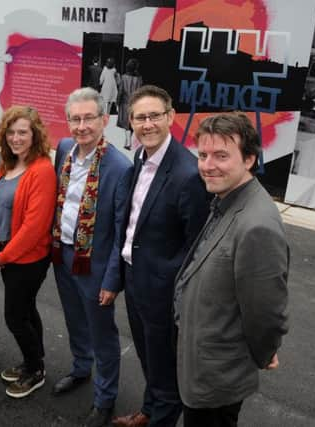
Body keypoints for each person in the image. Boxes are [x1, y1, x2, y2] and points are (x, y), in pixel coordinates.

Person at [173, 112, 289, 427]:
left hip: (216, 381)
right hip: (202, 368)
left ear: (249, 158)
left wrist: (264, 352)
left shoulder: (257, 226)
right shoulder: (227, 197)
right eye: (203, 155)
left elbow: (266, 313)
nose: (208, 165)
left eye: (222, 155)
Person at [112, 85, 209, 427]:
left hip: (164, 293)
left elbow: (197, 246)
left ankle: (160, 417)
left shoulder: (187, 174)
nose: (147, 124)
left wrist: (171, 288)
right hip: (136, 280)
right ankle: (149, 411)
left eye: (155, 116)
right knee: (148, 357)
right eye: (140, 117)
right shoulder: (139, 158)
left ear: (171, 118)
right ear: (130, 121)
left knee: (165, 369)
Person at [52, 87, 133, 427]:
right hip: (64, 254)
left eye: (89, 118)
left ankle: (105, 399)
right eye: (75, 119)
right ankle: (81, 369)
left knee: (103, 333)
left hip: (95, 266)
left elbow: (120, 230)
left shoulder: (119, 167)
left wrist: (112, 279)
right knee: (73, 319)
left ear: (105, 120)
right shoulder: (64, 149)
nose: (81, 126)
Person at [0, 106, 56, 399]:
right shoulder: (7, 165)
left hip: (28, 258)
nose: (16, 138)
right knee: (26, 309)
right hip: (7, 253)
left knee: (14, 316)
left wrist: (3, 256)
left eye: (23, 132)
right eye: (11, 132)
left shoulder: (42, 171)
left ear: (34, 134)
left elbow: (34, 227)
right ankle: (34, 361)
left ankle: (35, 369)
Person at [117, 58, 143, 149]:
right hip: (136, 103)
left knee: (126, 124)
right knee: (131, 122)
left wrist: (117, 102)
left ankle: (128, 143)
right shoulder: (139, 78)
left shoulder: (124, 77)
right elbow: (141, 92)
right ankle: (128, 142)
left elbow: (120, 91)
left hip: (125, 103)